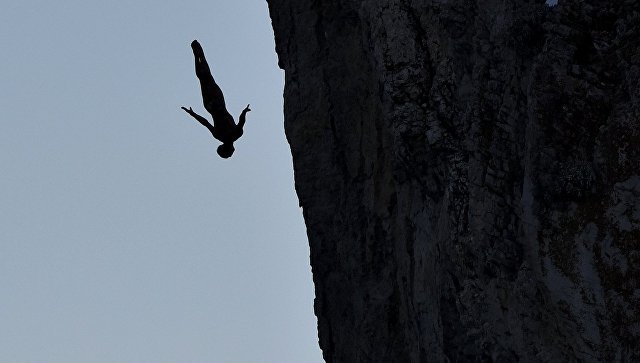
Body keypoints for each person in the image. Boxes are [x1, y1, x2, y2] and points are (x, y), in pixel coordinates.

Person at [181, 40, 250, 158]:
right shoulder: (219, 135)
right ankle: (197, 54)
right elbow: (205, 123)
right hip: (210, 106)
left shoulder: (236, 134)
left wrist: (244, 112)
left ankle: (199, 54)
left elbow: (241, 121)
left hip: (217, 104)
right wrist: (193, 114)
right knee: (203, 78)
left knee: (206, 77)